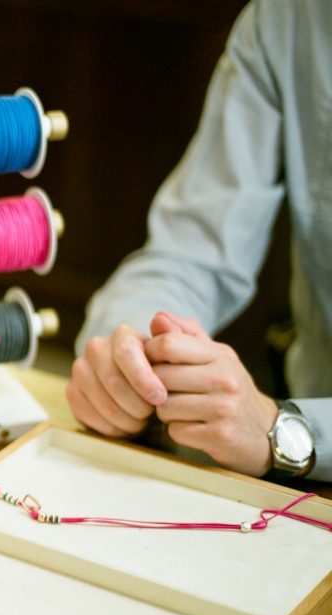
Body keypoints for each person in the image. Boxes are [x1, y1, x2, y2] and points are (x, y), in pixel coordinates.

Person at [66, 0, 331, 483]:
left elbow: (279, 433)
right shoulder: (285, 18)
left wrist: (291, 432)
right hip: (298, 475)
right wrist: (130, 361)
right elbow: (188, 254)